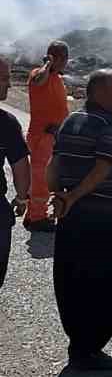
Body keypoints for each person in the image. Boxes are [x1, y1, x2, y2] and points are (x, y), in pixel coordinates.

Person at [47, 70, 112, 370]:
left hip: (74, 215)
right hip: (102, 217)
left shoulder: (71, 121)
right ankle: (90, 347)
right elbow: (102, 169)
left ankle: (79, 344)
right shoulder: (108, 127)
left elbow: (53, 164)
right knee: (106, 279)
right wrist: (71, 197)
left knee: (73, 279)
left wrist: (60, 196)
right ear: (97, 93)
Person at [24, 41, 69, 230]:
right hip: (42, 137)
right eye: (64, 58)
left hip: (52, 138)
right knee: (41, 181)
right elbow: (39, 80)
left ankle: (32, 214)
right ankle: (37, 219)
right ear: (55, 58)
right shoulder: (39, 74)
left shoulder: (57, 79)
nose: (66, 63)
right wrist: (48, 64)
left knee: (44, 179)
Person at [0, 57, 30, 290]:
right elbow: (20, 166)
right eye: (4, 79)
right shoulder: (7, 123)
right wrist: (22, 198)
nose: (9, 85)